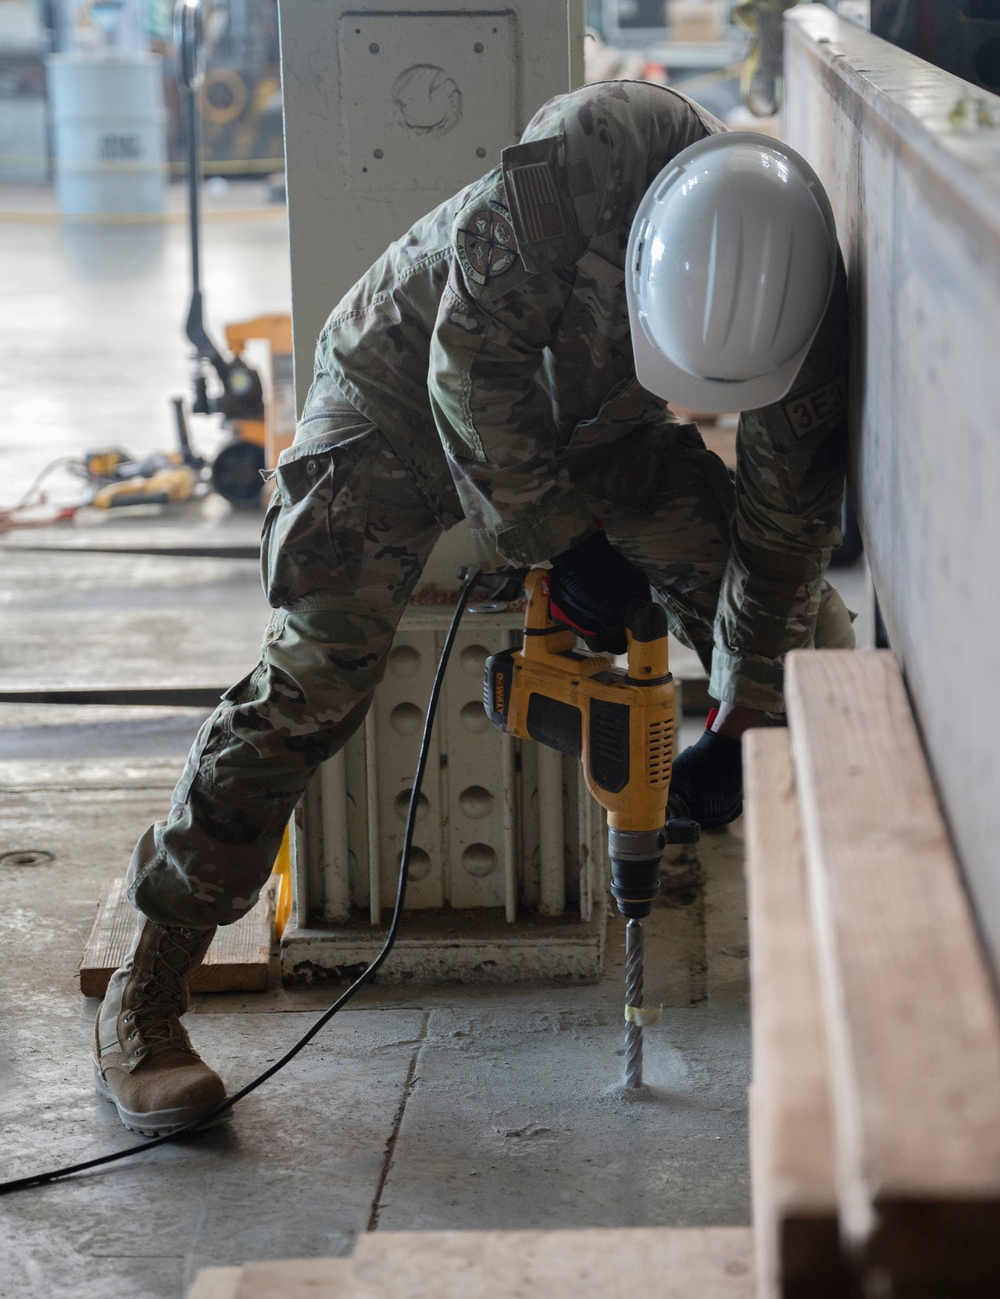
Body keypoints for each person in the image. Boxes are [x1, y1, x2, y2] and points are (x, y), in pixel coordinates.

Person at [92, 81, 851, 1135]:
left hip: (606, 430)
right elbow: (471, 360)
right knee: (316, 675)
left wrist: (744, 704)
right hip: (399, 398)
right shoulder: (589, 151)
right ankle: (151, 987)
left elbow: (783, 526)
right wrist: (554, 541)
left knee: (814, 648)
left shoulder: (805, 299)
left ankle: (845, 955)